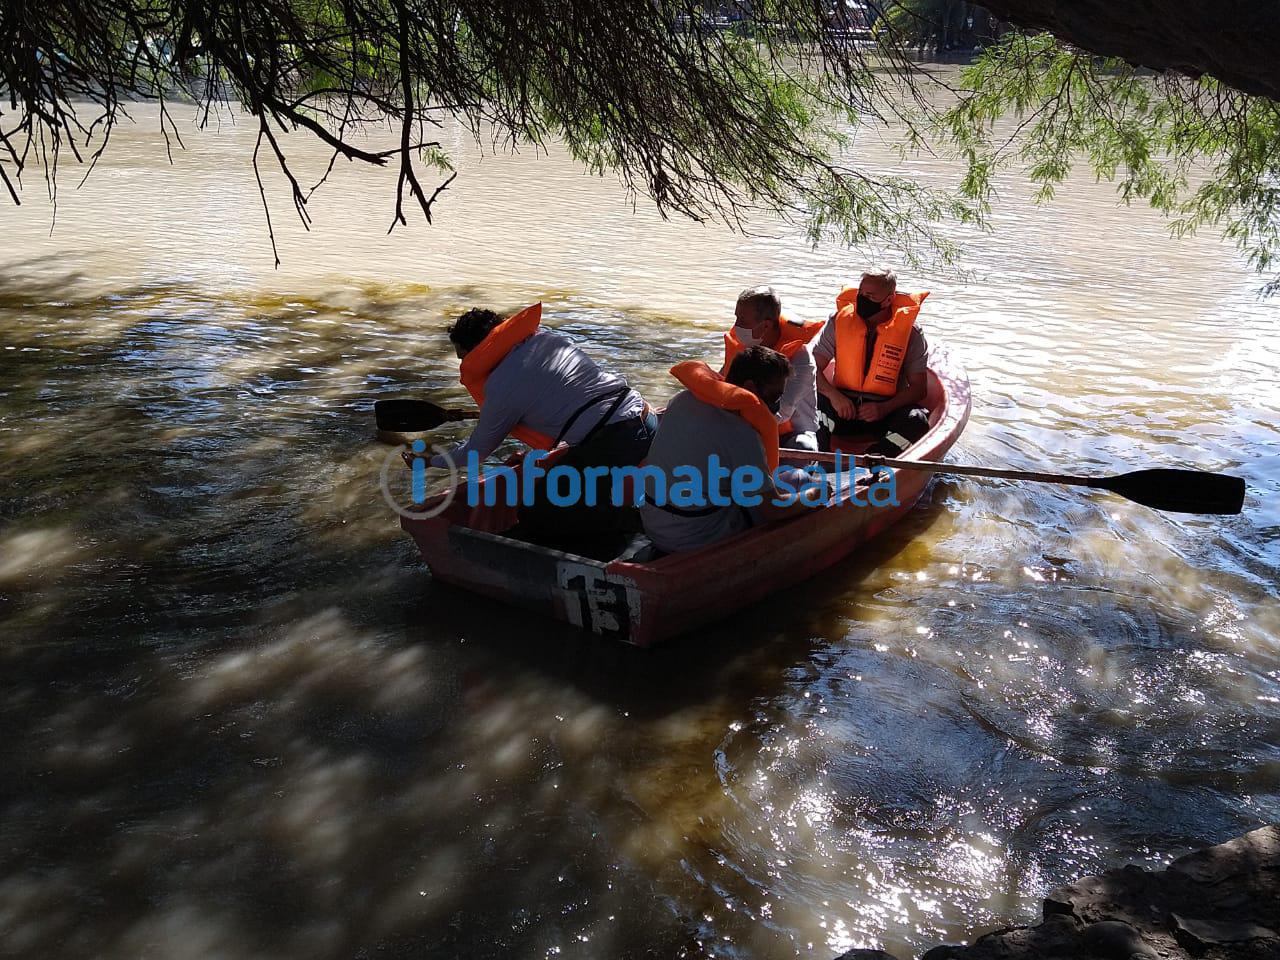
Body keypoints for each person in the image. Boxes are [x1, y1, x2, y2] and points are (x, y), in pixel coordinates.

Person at [427, 302, 656, 539]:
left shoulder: (501, 386)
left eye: (462, 357)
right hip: (646, 419)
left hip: (618, 439)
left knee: (536, 510)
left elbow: (474, 452)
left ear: (476, 351)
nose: (463, 366)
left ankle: (620, 542)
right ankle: (629, 526)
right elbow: (554, 402)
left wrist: (429, 461)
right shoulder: (547, 340)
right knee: (584, 497)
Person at [639, 345, 811, 554]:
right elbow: (772, 509)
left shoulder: (682, 400)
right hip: (696, 537)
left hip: (653, 523)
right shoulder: (741, 433)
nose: (775, 406)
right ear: (751, 387)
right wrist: (813, 495)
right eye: (775, 397)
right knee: (798, 480)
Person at [813, 267, 931, 455]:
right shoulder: (838, 321)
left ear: (889, 299)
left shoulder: (911, 333)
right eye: (861, 293)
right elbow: (813, 368)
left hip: (884, 413)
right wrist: (835, 397)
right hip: (842, 408)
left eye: (870, 295)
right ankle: (819, 458)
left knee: (917, 419)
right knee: (811, 402)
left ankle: (875, 460)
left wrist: (884, 408)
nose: (862, 299)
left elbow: (919, 388)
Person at [721, 285, 824, 452]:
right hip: (743, 425)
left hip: (789, 433)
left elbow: (783, 412)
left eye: (742, 320)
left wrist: (739, 427)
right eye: (736, 318)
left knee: (803, 447)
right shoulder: (743, 346)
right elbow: (721, 382)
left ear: (766, 325)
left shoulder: (800, 358)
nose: (736, 325)